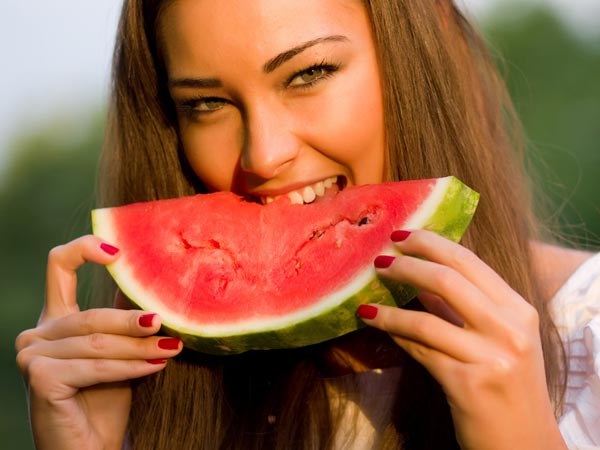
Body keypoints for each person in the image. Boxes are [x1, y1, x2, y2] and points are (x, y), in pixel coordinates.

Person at [14, 0, 599, 449]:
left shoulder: (590, 336)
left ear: (431, 44)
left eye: (309, 72)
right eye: (205, 105)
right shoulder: (148, 388)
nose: (263, 156)